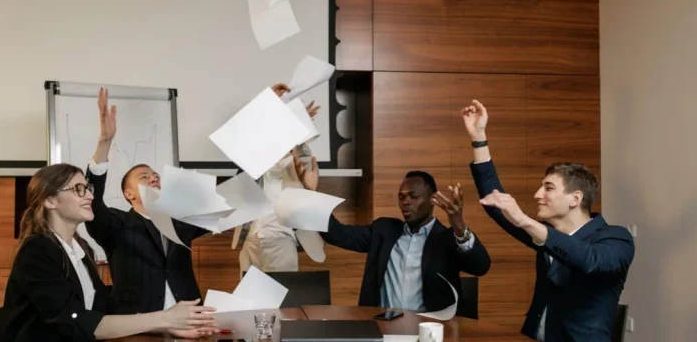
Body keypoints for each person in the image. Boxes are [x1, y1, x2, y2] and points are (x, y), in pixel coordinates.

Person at [461, 100, 635, 341]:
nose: (537, 195)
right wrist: (479, 137)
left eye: (548, 188)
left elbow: (588, 260)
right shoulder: (545, 235)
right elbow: (496, 205)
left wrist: (524, 220)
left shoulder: (617, 239)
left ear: (575, 198)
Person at [4, 163, 219, 341]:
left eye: (88, 189)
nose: (89, 195)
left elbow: (101, 310)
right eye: (79, 189)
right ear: (50, 200)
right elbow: (75, 319)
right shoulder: (37, 250)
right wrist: (166, 319)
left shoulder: (80, 250)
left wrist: (167, 326)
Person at [84, 88, 210, 314]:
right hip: (138, 322)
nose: (153, 178)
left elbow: (232, 202)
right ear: (128, 194)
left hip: (190, 318)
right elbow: (92, 200)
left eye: (156, 176)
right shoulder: (117, 224)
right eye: (144, 177)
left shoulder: (180, 221)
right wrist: (105, 142)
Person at [319, 170, 491, 312]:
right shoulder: (384, 231)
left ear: (433, 199)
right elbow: (338, 234)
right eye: (401, 197)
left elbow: (481, 266)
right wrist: (312, 191)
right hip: (384, 329)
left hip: (430, 331)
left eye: (413, 196)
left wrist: (460, 228)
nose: (405, 202)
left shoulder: (447, 239)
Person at [232, 83, 322, 273]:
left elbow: (307, 177)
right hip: (251, 238)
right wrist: (268, 102)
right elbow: (245, 134)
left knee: (280, 300)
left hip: (280, 238)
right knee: (246, 300)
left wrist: (299, 126)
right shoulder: (255, 154)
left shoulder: (300, 157)